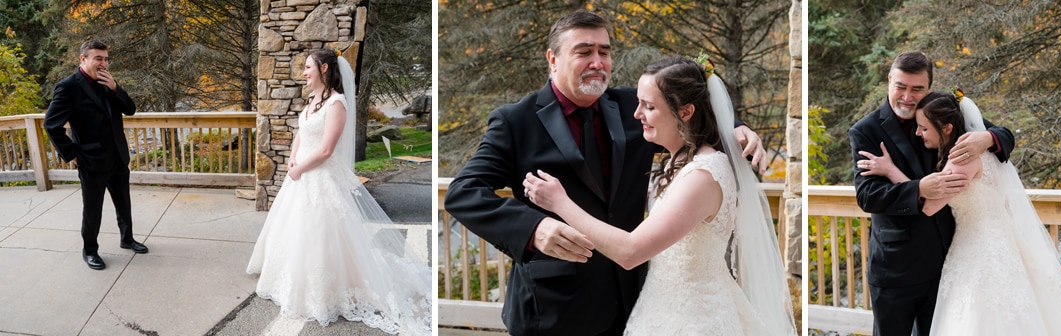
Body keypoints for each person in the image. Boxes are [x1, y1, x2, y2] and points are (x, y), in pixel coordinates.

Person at [443, 10, 767, 336]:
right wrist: (534, 229)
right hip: (552, 310)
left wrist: (737, 130)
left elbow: (689, 116)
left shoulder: (633, 107)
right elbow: (464, 193)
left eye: (605, 52)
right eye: (584, 52)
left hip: (635, 304)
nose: (597, 62)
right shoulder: (515, 122)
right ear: (553, 59)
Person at [523, 56, 796, 335]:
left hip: (695, 320)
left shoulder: (703, 175)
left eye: (649, 107)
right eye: (639, 102)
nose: (636, 114)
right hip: (661, 308)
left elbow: (631, 253)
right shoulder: (675, 161)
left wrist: (560, 203)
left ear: (686, 111)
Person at [858, 90, 1061, 335]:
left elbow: (930, 205)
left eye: (923, 128)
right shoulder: (979, 149)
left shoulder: (962, 158)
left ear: (946, 128)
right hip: (1001, 243)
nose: (917, 132)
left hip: (978, 251)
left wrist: (890, 170)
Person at [245, 49, 430, 334]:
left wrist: (300, 168)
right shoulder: (312, 101)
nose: (304, 73)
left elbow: (327, 150)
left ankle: (326, 291)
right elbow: (301, 135)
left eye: (308, 67)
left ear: (324, 69)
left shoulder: (337, 104)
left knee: (322, 233)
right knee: (295, 230)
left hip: (320, 177)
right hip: (302, 174)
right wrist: (293, 158)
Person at [848, 51, 1015, 336]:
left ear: (929, 88)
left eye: (917, 89)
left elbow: (1006, 135)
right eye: (901, 86)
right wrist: (918, 188)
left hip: (948, 265)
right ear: (889, 81)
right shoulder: (866, 130)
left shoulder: (942, 113)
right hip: (895, 270)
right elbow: (868, 196)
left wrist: (987, 138)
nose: (907, 97)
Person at [44, 39, 147, 270]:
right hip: (91, 161)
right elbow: (51, 125)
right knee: (93, 210)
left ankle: (127, 239)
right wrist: (73, 155)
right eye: (98, 58)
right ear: (83, 59)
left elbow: (130, 109)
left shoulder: (107, 82)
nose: (104, 63)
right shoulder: (68, 87)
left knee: (124, 204)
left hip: (118, 157)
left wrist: (115, 88)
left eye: (106, 58)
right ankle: (90, 251)